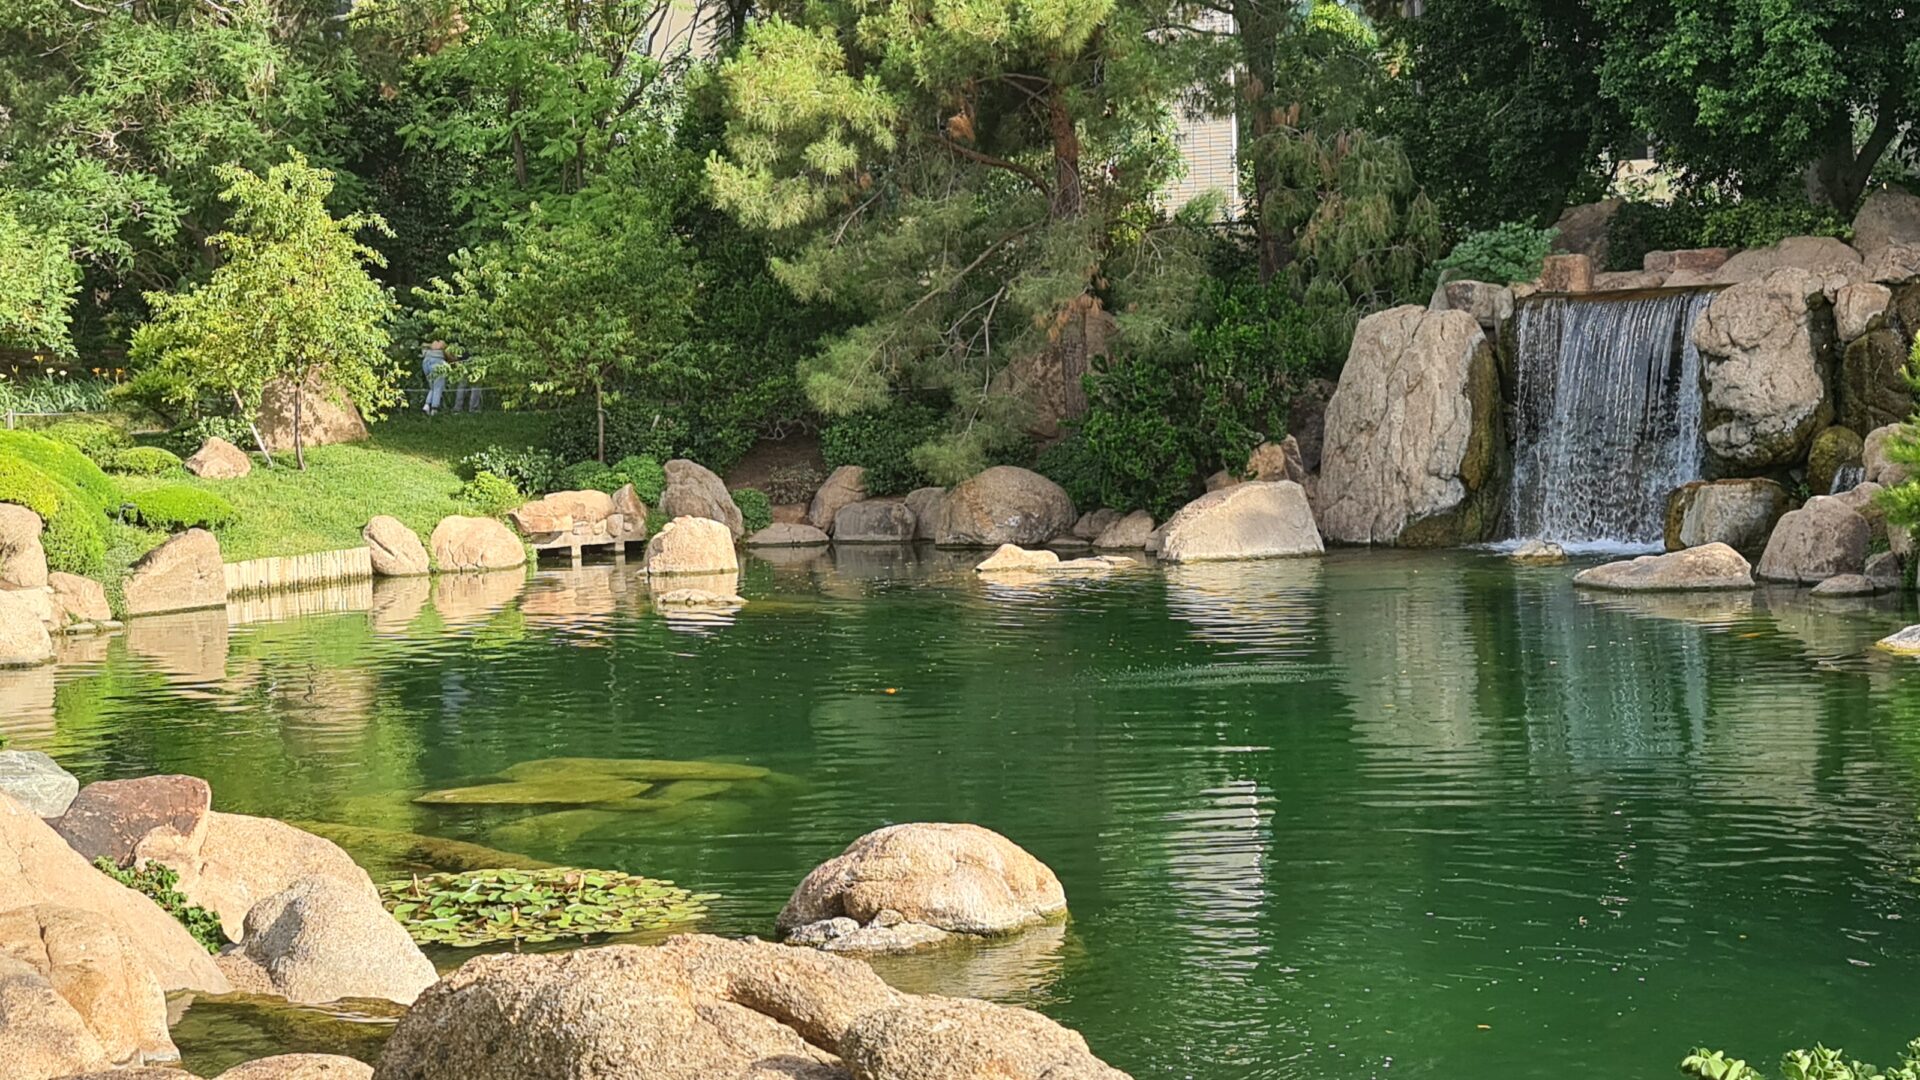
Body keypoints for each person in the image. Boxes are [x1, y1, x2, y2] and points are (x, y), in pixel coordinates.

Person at [422, 340, 449, 414]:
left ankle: (427, 405)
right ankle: (434, 409)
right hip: (438, 363)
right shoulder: (443, 343)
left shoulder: (432, 343)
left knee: (432, 387)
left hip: (426, 362)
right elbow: (449, 356)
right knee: (438, 386)